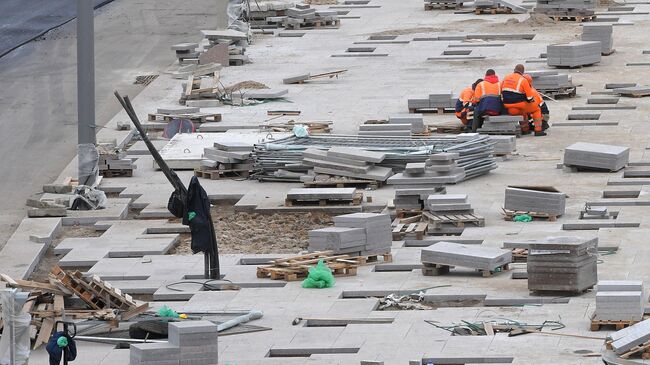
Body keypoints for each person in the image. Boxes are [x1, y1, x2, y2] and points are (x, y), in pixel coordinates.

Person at [501, 64, 545, 136]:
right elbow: (529, 98)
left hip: (508, 107)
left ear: (514, 70)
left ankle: (525, 130)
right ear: (522, 72)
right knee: (536, 109)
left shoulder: (506, 77)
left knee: (523, 112)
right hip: (519, 105)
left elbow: (501, 91)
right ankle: (538, 130)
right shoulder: (523, 80)